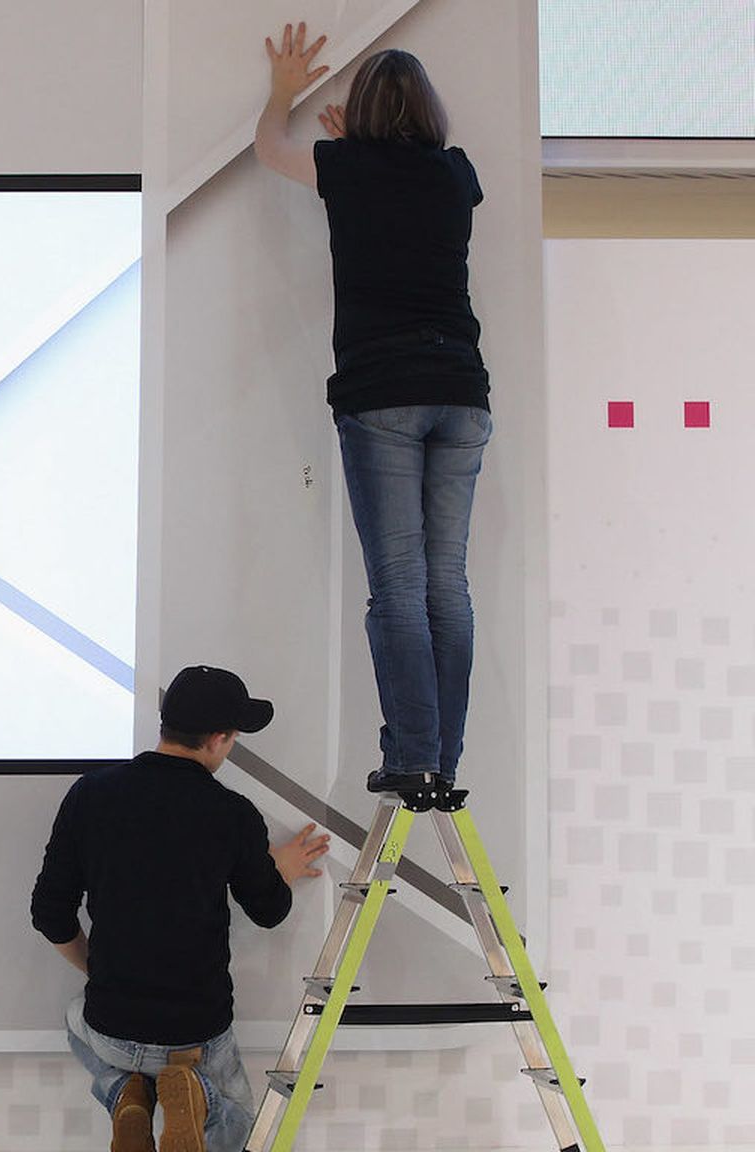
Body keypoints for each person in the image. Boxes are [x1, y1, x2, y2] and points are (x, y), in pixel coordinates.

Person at [254, 24, 494, 796]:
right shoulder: (456, 174)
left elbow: (267, 149)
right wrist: (352, 153)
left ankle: (413, 756)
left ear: (359, 114)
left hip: (383, 391)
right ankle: (440, 760)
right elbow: (401, 192)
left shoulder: (344, 168)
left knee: (396, 583)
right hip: (462, 392)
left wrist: (284, 93)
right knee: (445, 584)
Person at [31, 665, 331, 1152]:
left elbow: (49, 912)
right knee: (239, 1133)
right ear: (218, 739)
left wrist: (98, 969)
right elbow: (270, 910)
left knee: (75, 1019)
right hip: (196, 1034)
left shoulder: (90, 794)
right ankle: (199, 1096)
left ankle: (124, 1092)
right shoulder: (232, 813)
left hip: (112, 1025)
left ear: (165, 725)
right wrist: (279, 866)